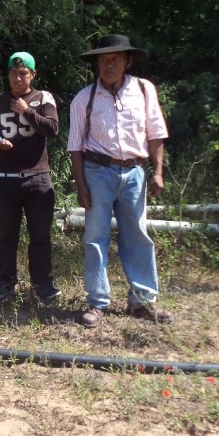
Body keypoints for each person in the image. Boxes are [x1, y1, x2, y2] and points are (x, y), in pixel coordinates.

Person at [67, 34, 171, 328]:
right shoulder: (84, 98)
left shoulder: (144, 90)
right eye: (103, 59)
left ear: (128, 61)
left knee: (137, 235)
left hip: (135, 172)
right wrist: (81, 186)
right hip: (97, 172)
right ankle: (97, 302)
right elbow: (75, 146)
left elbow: (155, 133)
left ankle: (142, 301)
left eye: (115, 59)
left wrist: (158, 172)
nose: (109, 64)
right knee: (95, 238)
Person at [0, 52, 61, 302]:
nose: (18, 78)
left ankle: (43, 283)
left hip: (38, 177)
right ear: (7, 75)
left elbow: (53, 129)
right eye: (13, 73)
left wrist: (27, 112)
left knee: (40, 234)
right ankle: (5, 282)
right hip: (7, 177)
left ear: (33, 75)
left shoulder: (43, 98)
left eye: (23, 73)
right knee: (7, 234)